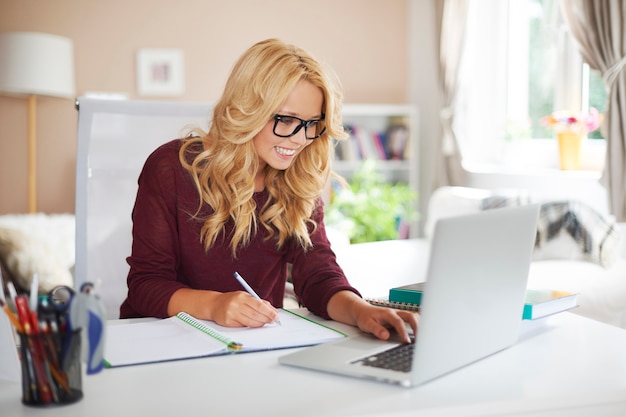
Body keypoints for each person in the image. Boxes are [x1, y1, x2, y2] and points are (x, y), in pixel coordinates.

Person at [119, 38, 418, 343]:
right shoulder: (170, 168)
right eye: (286, 120)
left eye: (312, 124)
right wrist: (215, 304)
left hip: (249, 346)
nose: (300, 139)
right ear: (247, 109)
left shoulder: (296, 178)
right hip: (162, 344)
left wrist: (360, 311)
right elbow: (146, 285)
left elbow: (317, 273)